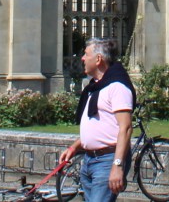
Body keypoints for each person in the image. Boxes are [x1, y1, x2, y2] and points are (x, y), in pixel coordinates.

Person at [58, 38, 135, 202]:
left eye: (86, 55)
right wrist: (74, 147)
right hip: (89, 160)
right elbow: (100, 127)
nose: (82, 59)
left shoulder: (117, 87)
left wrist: (117, 165)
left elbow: (126, 128)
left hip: (107, 161)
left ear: (98, 59)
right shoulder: (96, 87)